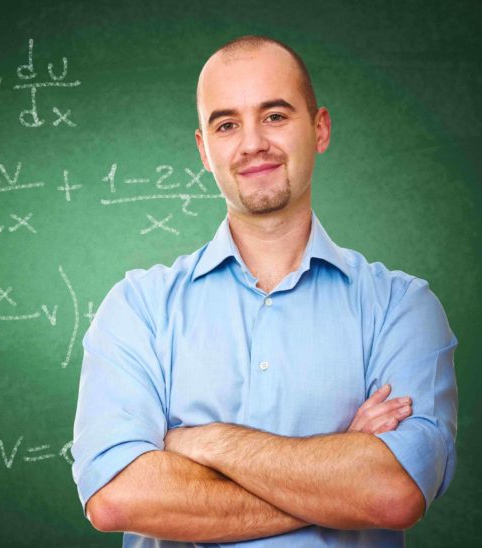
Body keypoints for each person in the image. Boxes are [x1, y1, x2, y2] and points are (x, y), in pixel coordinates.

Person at [71, 35, 458, 546]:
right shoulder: (138, 308)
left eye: (275, 116)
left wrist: (203, 443)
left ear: (319, 129)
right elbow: (119, 497)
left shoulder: (402, 309)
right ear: (204, 150)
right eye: (227, 124)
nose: (253, 143)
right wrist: (337, 466)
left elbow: (393, 494)